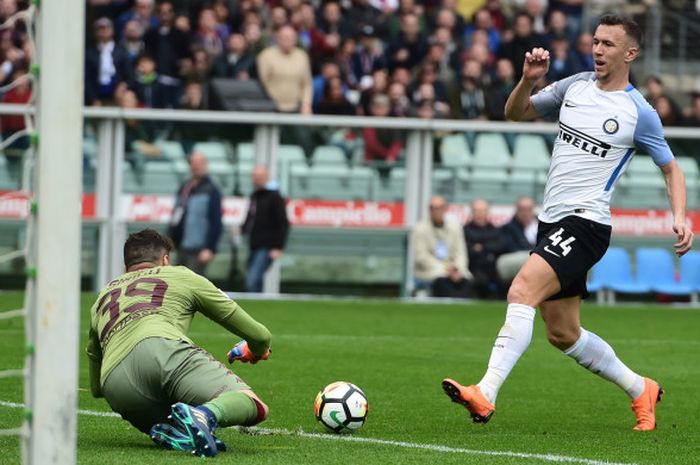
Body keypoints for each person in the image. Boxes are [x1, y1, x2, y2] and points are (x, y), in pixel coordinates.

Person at [442, 14, 694, 431]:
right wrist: (527, 80)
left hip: (587, 224)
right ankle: (640, 388)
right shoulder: (574, 86)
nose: (598, 50)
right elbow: (515, 114)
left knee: (521, 290)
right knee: (563, 332)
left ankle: (485, 392)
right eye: (595, 41)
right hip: (552, 221)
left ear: (630, 53)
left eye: (609, 44)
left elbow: (673, 170)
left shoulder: (639, 113)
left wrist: (680, 217)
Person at [86, 229, 271, 457]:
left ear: (125, 269)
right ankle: (205, 415)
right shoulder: (180, 275)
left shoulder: (103, 297)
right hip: (161, 350)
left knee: (177, 421)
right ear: (165, 261)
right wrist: (255, 349)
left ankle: (177, 431)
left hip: (116, 386)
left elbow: (96, 389)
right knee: (253, 404)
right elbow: (260, 335)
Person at [169, 152, 223, 276]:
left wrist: (210, 248)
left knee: (192, 287)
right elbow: (176, 216)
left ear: (206, 165)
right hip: (181, 247)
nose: (196, 166)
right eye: (193, 163)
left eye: (199, 163)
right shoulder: (184, 188)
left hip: (199, 250)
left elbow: (216, 222)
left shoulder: (212, 190)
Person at [241, 165, 290, 293]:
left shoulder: (274, 197)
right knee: (252, 279)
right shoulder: (255, 196)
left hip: (266, 246)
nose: (256, 179)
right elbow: (251, 218)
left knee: (253, 280)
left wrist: (278, 247)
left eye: (259, 176)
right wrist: (242, 230)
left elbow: (282, 223)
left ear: (266, 178)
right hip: (254, 244)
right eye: (254, 176)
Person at [413, 195, 472, 298]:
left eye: (439, 208)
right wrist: (445, 269)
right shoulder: (420, 228)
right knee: (442, 280)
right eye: (433, 208)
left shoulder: (455, 227)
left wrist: (457, 268)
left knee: (466, 279)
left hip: (454, 268)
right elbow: (421, 257)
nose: (436, 211)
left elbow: (461, 252)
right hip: (431, 270)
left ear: (445, 209)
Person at [463, 199, 506, 298]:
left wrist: (482, 247)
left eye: (482, 211)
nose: (480, 214)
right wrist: (488, 247)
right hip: (474, 268)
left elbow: (501, 246)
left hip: (494, 268)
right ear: (472, 213)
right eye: (477, 211)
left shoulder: (495, 230)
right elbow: (467, 250)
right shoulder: (465, 231)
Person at [496, 196, 538, 284]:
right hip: (519, 262)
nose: (525, 213)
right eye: (522, 209)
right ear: (516, 210)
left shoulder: (543, 225)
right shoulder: (508, 228)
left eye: (528, 209)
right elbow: (511, 248)